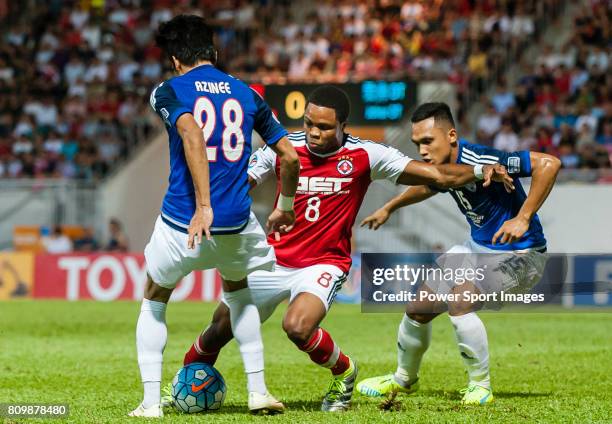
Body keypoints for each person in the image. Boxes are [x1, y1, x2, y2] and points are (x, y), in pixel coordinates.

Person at [168, 88, 514, 412]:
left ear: (342, 126)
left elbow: (436, 176)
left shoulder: (366, 154)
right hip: (273, 259)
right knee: (221, 325)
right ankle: (182, 385)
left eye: (323, 126)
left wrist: (481, 170)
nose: (314, 132)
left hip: (324, 263)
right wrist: (208, 207)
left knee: (298, 327)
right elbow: (243, 181)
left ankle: (345, 373)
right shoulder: (283, 148)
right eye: (308, 124)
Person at [130, 15, 299, 418]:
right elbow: (290, 155)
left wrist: (203, 205)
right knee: (239, 295)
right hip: (236, 224)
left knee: (154, 299)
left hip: (182, 224)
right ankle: (258, 391)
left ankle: (151, 404)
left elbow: (191, 133)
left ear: (174, 60)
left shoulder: (168, 90)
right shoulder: (247, 93)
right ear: (215, 53)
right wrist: (285, 205)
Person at [356, 102, 561, 405]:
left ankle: (481, 386)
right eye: (417, 144)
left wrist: (523, 217)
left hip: (522, 255)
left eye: (428, 141)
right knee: (418, 308)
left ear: (451, 135)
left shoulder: (483, 159)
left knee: (460, 299)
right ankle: (403, 379)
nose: (422, 150)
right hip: (477, 250)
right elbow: (431, 184)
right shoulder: (445, 167)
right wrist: (390, 207)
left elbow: (549, 163)